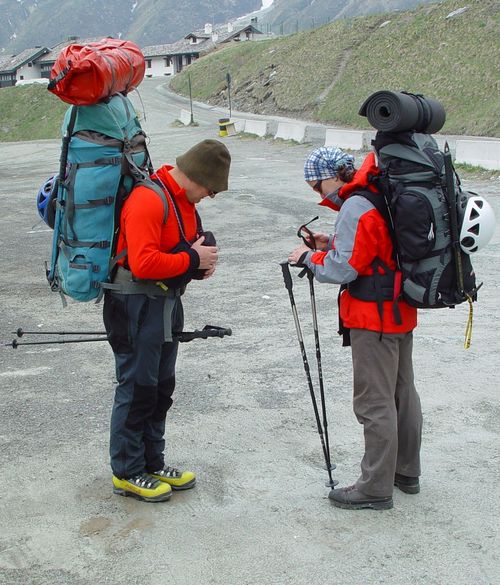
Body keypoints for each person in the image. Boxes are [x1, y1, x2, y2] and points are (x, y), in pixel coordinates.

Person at [288, 146, 422, 510]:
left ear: (333, 176)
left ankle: (375, 487)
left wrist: (309, 257)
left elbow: (343, 269)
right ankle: (406, 471)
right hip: (400, 308)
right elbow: (375, 247)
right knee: (402, 392)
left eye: (317, 185)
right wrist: (331, 243)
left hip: (371, 317)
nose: (318, 193)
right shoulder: (379, 191)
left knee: (374, 400)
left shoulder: (354, 206)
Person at [103, 139, 231, 502]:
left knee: (160, 388)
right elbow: (144, 263)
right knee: (137, 388)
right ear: (196, 175)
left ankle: (152, 463)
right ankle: (127, 472)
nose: (210, 196)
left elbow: (182, 251)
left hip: (165, 305)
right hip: (135, 306)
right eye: (210, 189)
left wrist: (198, 265)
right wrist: (192, 260)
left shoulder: (183, 203)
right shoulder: (148, 199)